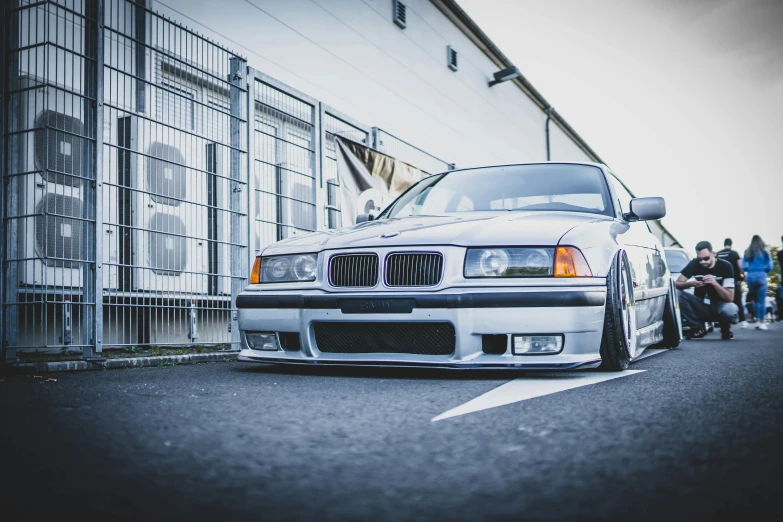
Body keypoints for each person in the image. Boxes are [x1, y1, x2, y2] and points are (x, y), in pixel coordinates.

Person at [676, 241, 739, 340]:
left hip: (720, 305)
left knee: (731, 308)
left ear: (713, 254)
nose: (703, 262)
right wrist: (691, 283)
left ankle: (725, 328)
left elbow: (730, 297)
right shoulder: (694, 263)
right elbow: (677, 283)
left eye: (706, 258)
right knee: (677, 294)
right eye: (700, 259)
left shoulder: (726, 266)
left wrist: (715, 284)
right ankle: (697, 328)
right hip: (701, 304)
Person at [742, 235, 773, 331]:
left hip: (751, 277)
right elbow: (770, 266)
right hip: (762, 276)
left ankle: (757, 320)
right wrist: (764, 270)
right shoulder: (765, 252)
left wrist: (750, 269)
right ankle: (762, 322)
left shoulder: (747, 252)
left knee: (755, 300)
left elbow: (743, 266)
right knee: (762, 300)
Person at [717, 238, 747, 327]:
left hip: (721, 281)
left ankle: (722, 321)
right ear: (731, 244)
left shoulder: (719, 253)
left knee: (721, 301)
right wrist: (743, 275)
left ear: (724, 244)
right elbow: (740, 266)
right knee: (738, 300)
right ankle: (742, 321)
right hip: (734, 280)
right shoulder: (734, 253)